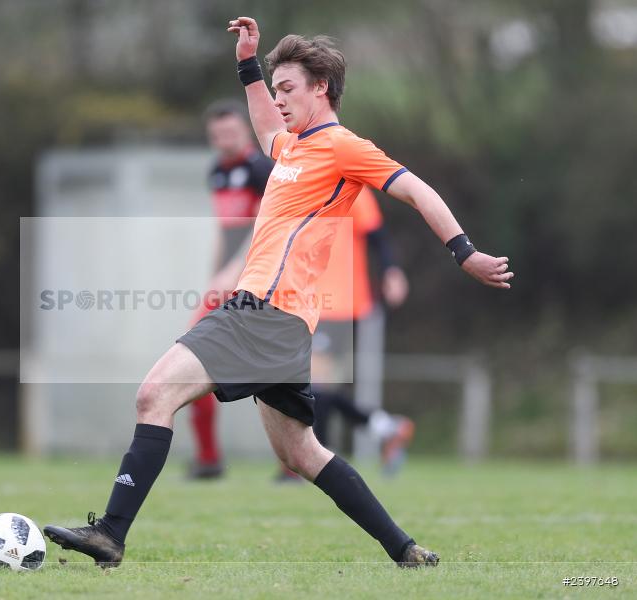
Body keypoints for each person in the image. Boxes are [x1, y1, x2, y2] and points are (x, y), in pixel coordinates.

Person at [43, 16, 513, 569]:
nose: (279, 99)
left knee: (153, 395)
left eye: (288, 88)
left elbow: (416, 190)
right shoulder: (291, 147)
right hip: (284, 321)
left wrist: (465, 252)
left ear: (323, 89)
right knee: (301, 453)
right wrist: (249, 63)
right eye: (277, 88)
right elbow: (265, 125)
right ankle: (405, 550)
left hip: (264, 312)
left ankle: (112, 534)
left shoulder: (344, 147)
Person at [275, 187, 413, 482]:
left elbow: (378, 237)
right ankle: (385, 428)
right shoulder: (300, 186)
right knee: (315, 388)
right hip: (304, 302)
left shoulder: (353, 191)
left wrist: (391, 272)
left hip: (338, 304)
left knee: (311, 384)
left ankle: (310, 461)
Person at [187, 100, 275, 480]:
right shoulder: (217, 172)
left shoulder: (261, 169)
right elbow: (227, 231)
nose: (224, 139)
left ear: (245, 130)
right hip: (229, 279)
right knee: (191, 354)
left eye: (231, 131)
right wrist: (215, 275)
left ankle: (296, 462)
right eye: (217, 134)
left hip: (259, 279)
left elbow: (268, 225)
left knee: (277, 372)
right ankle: (209, 459)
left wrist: (235, 271)